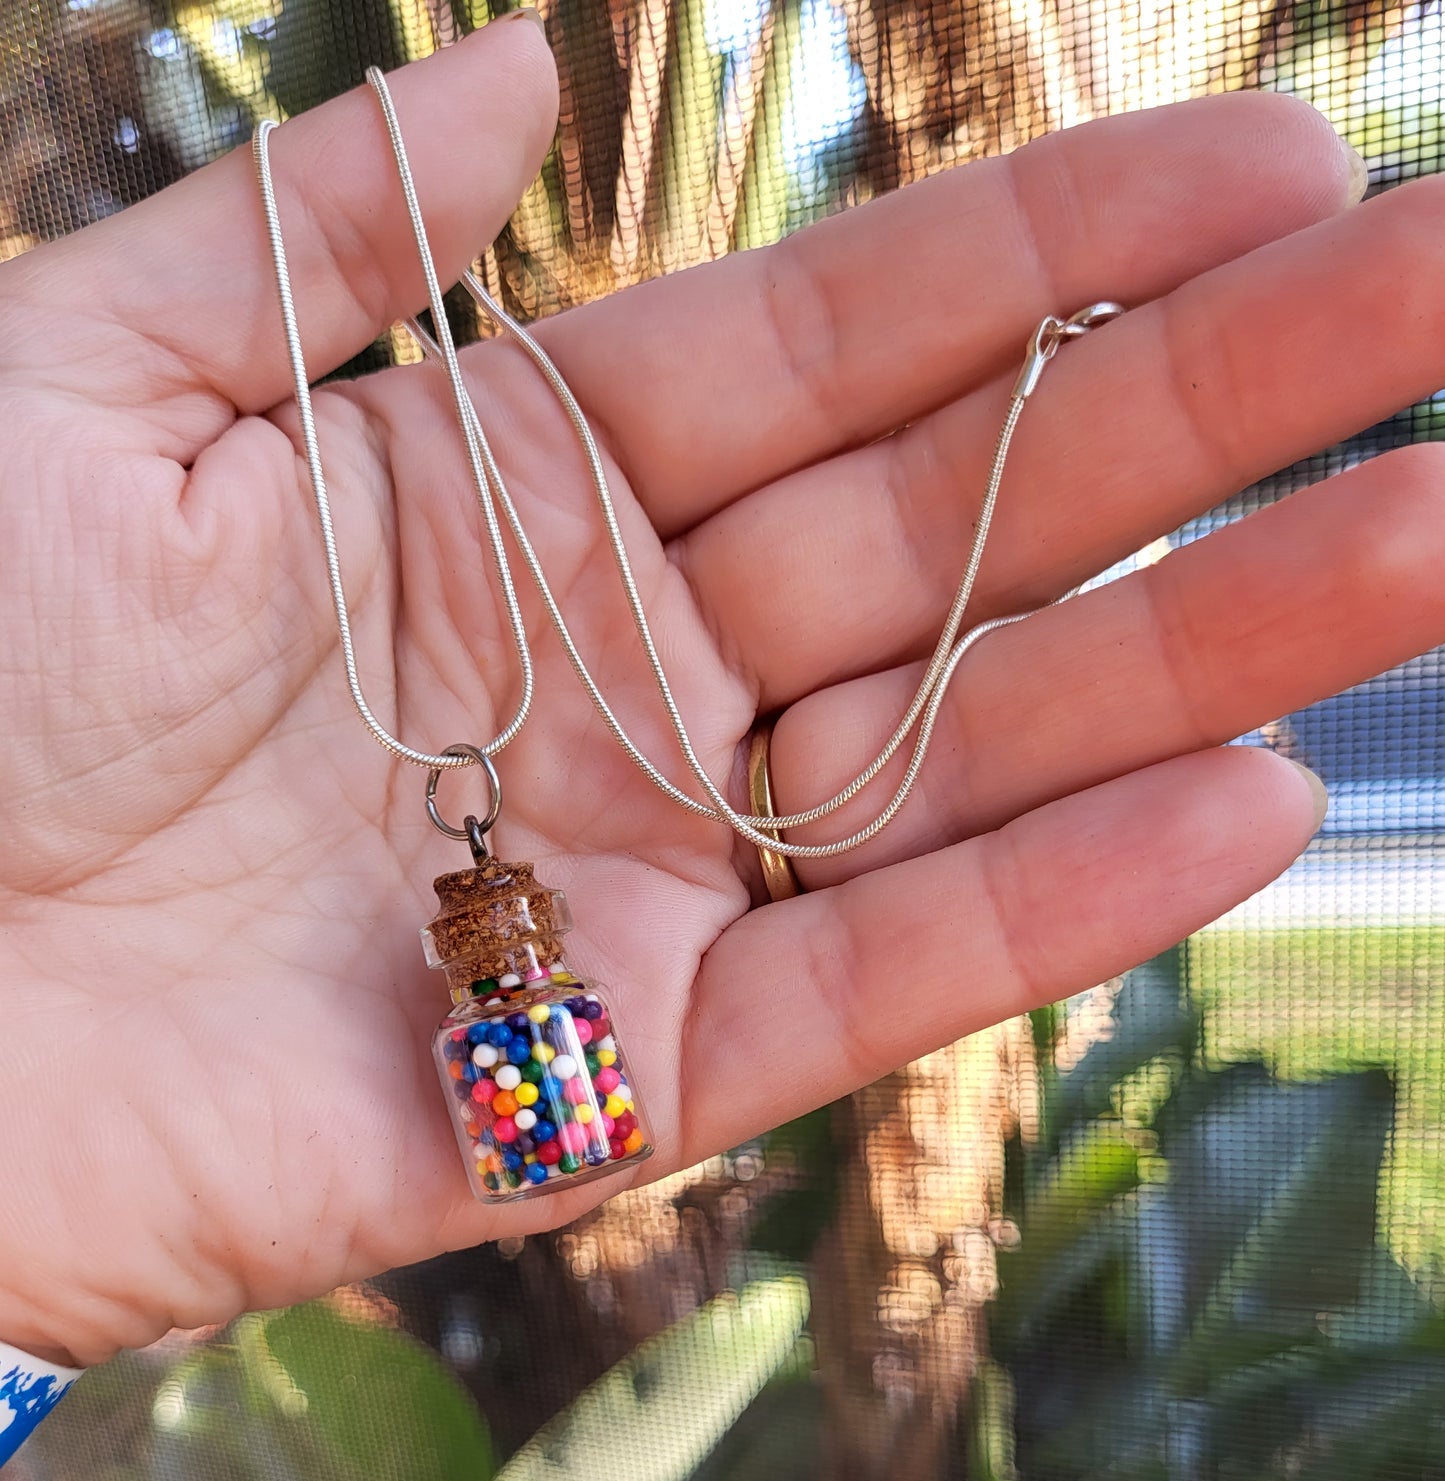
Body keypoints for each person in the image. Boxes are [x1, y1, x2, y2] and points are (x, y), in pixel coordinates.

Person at [0, 14, 1439, 1410]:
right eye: (492, 943)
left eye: (505, 940)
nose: (504, 949)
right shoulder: (491, 1007)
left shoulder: (512, 984)